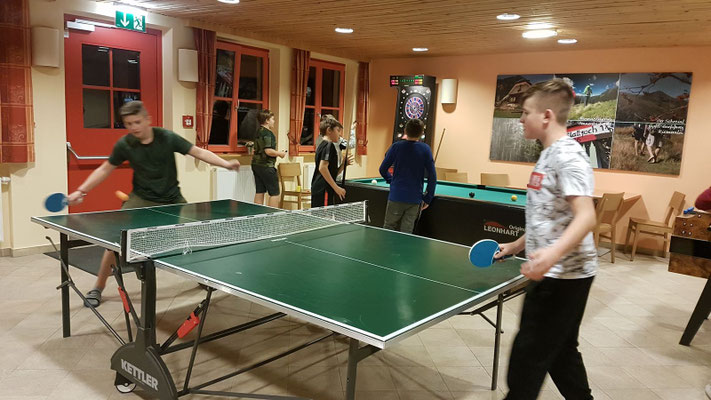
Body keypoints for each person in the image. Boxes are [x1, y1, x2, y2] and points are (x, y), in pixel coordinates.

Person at [67, 100, 241, 307]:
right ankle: (98, 286)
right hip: (141, 198)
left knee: (193, 235)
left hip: (172, 198)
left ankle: (201, 277)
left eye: (137, 122)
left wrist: (226, 164)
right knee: (116, 241)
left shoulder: (166, 137)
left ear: (147, 119)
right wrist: (81, 190)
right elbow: (105, 169)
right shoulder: (125, 144)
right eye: (129, 123)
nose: (133, 127)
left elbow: (199, 152)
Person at [495, 79, 598, 400]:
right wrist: (517, 245)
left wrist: (550, 255)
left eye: (526, 112)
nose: (521, 119)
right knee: (561, 352)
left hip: (561, 276)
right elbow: (550, 217)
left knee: (528, 357)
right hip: (562, 272)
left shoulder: (567, 155)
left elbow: (586, 216)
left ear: (547, 116)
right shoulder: (549, 154)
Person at [378, 118, 437, 233]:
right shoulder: (426, 149)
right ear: (422, 133)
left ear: (405, 130)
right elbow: (432, 176)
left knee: (388, 229)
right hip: (414, 198)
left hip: (396, 196)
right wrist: (428, 197)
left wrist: (391, 180)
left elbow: (382, 169)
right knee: (407, 232)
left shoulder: (396, 147)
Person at [311, 117, 351, 207]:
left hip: (321, 188)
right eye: (338, 130)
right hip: (323, 189)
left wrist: (343, 165)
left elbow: (332, 172)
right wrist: (336, 188)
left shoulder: (322, 145)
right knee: (324, 215)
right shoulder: (329, 145)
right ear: (329, 130)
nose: (339, 134)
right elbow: (322, 168)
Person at [252, 109, 286, 208]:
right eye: (272, 119)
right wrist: (280, 154)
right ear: (267, 120)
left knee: (260, 191)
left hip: (256, 165)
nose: (274, 121)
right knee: (274, 193)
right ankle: (272, 215)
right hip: (267, 166)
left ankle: (257, 214)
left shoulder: (258, 132)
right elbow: (268, 151)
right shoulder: (268, 133)